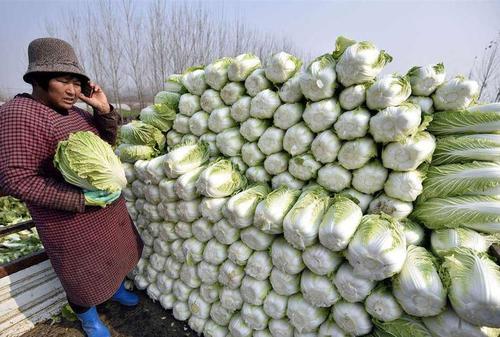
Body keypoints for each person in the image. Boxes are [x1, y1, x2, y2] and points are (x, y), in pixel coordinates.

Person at [0, 38, 143, 337]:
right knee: (81, 275)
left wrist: (103, 110)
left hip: (104, 211)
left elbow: (106, 143)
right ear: (38, 80)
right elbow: (14, 178)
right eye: (62, 81)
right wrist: (79, 198)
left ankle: (115, 289)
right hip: (68, 220)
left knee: (114, 256)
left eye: (77, 83)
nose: (72, 91)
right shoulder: (18, 114)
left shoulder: (75, 112)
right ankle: (88, 317)